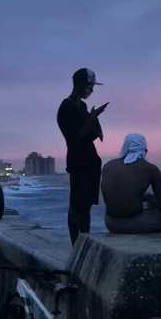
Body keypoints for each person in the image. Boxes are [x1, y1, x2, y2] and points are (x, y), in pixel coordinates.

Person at [57, 67, 107, 244]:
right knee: (77, 205)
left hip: (90, 160)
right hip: (78, 161)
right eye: (89, 86)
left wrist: (94, 117)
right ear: (79, 85)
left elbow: (94, 135)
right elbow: (76, 137)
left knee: (85, 206)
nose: (91, 90)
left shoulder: (82, 106)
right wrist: (92, 117)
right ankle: (76, 246)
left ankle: (85, 242)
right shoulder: (67, 107)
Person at [101, 134, 161, 234]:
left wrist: (145, 198)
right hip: (134, 225)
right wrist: (155, 204)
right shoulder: (150, 168)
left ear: (125, 147)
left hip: (110, 223)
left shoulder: (108, 166)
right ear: (144, 150)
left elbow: (116, 196)